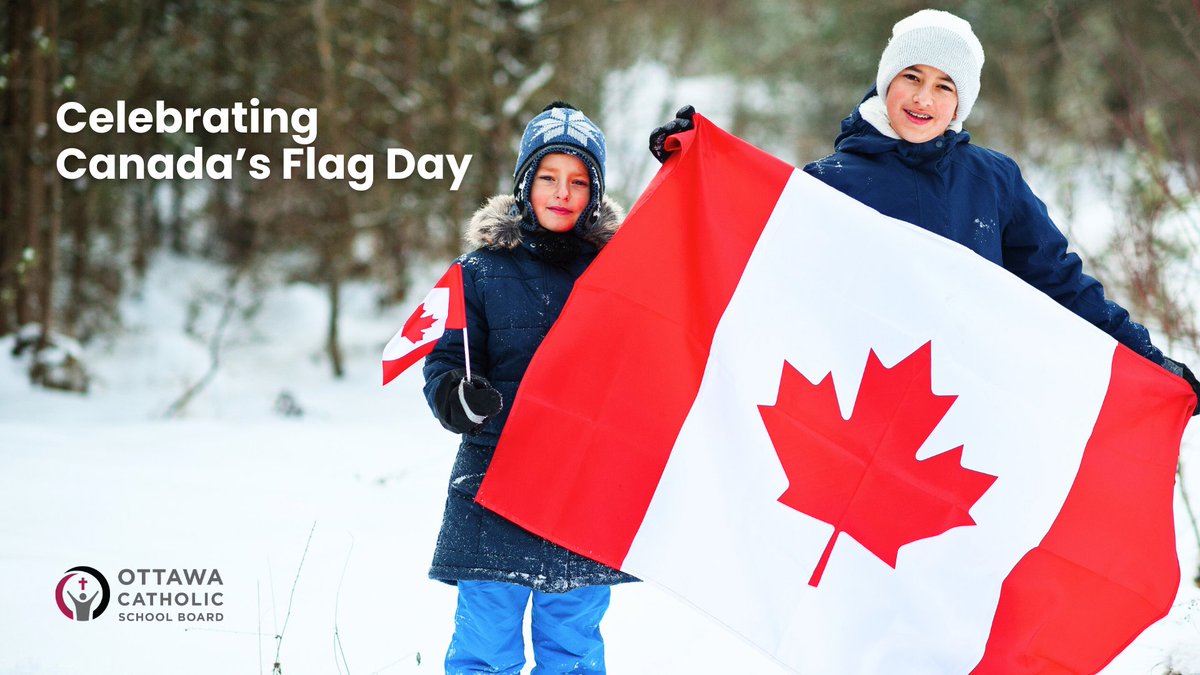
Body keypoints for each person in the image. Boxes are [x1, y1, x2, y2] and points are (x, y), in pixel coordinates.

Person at [649, 8, 1200, 413]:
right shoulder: (827, 184)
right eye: (911, 77)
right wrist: (698, 165)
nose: (924, 99)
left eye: (944, 86)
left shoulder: (993, 181)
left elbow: (1062, 285)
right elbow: (742, 252)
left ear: (962, 101)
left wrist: (1150, 364)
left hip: (965, 409)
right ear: (887, 81)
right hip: (852, 404)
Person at [423, 101, 636, 675]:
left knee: (570, 648)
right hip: (495, 483)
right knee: (484, 647)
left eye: (577, 180)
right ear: (524, 183)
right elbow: (444, 360)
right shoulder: (479, 271)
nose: (562, 192)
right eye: (548, 177)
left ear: (594, 192)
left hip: (584, 489)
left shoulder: (622, 273)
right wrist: (457, 397)